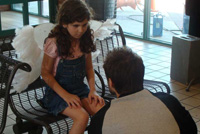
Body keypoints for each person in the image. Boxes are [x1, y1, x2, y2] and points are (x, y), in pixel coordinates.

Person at [88, 47, 197, 134]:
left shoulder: (100, 120)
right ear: (141, 76)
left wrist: (100, 115)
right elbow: (192, 129)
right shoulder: (169, 101)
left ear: (111, 83)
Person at [40, 0, 104, 133]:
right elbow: (45, 74)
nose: (81, 30)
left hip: (80, 90)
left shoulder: (85, 39)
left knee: (102, 112)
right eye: (75, 25)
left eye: (84, 25)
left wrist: (93, 90)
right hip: (57, 94)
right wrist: (66, 95)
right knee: (82, 117)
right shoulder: (54, 43)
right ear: (64, 24)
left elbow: (89, 69)